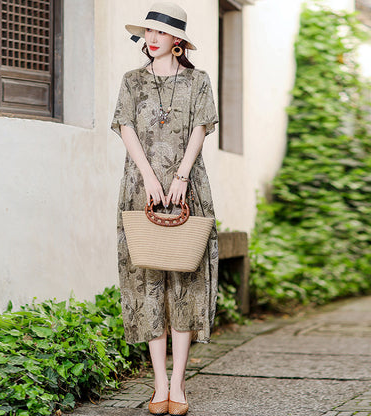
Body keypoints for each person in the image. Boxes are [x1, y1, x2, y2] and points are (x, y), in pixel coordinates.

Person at [111, 2, 219, 415]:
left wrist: (180, 177)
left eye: (161, 33)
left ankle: (179, 385)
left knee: (185, 282)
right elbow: (126, 128)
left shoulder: (199, 81)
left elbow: (199, 130)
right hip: (140, 187)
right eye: (148, 33)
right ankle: (158, 387)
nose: (152, 39)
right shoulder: (132, 81)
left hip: (189, 187)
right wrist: (150, 178)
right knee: (148, 281)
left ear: (178, 41)